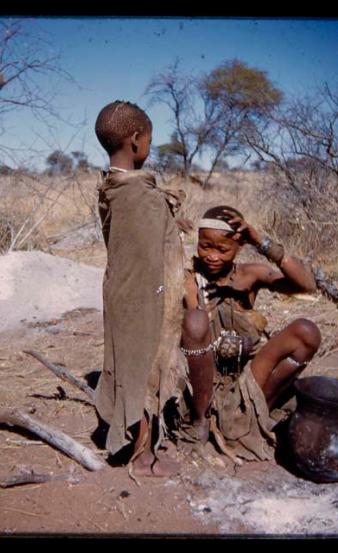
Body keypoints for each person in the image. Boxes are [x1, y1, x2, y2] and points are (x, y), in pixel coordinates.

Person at [180, 205, 321, 462]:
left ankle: (258, 409)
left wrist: (261, 242)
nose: (212, 256)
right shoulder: (189, 280)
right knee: (197, 322)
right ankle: (203, 421)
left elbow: (307, 285)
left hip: (249, 378)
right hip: (205, 383)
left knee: (306, 332)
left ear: (240, 246)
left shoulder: (249, 275)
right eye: (205, 247)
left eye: (222, 250)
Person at [94, 100, 187, 477]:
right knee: (142, 363)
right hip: (142, 293)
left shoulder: (112, 187)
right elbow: (150, 257)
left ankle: (135, 437)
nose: (149, 146)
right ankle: (142, 449)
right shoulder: (139, 195)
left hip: (119, 289)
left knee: (127, 361)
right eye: (149, 140)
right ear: (135, 140)